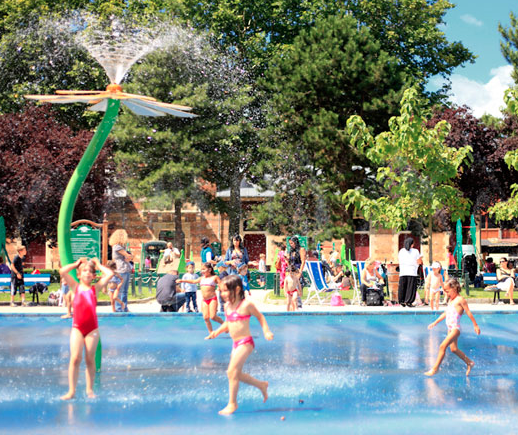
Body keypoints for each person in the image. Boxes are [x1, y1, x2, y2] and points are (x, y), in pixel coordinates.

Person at [206, 274, 273, 415]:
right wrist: (217, 332)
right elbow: (228, 322)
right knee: (235, 374)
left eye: (225, 290)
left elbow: (260, 317)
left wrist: (266, 331)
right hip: (235, 343)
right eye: (221, 291)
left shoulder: (246, 305)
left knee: (231, 372)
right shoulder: (227, 306)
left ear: (236, 290)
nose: (222, 294)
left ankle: (232, 403)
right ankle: (261, 385)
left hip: (246, 342)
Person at [60, 257, 114, 400]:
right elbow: (62, 271)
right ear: (79, 275)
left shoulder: (95, 289)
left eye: (90, 271)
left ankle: (89, 390)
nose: (87, 273)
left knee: (90, 359)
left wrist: (98, 264)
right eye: (84, 271)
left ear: (94, 276)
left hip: (92, 329)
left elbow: (109, 274)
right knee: (75, 358)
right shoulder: (74, 287)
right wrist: (76, 264)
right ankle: (72, 391)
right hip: (77, 327)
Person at [424, 278, 480, 376]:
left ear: (454, 288)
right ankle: (469, 363)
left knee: (442, 346)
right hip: (450, 329)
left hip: (455, 328)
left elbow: (468, 312)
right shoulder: (451, 300)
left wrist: (475, 325)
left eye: (447, 291)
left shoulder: (460, 300)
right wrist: (435, 322)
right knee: (453, 349)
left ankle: (435, 369)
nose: (446, 293)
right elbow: (447, 312)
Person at [178, 263, 224, 332]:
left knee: (213, 316)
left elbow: (221, 284)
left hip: (212, 299)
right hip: (204, 300)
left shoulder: (214, 277)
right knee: (205, 317)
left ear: (209, 269)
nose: (202, 271)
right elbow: (193, 281)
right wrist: (182, 280)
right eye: (201, 269)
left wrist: (221, 289)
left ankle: (224, 324)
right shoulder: (201, 278)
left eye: (203, 269)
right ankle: (211, 333)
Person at [109, 229, 133, 312]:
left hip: (123, 269)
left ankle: (124, 307)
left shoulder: (117, 247)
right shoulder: (117, 247)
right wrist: (129, 256)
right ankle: (120, 308)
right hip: (121, 270)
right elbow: (129, 256)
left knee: (124, 291)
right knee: (121, 290)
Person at [398, 238, 423, 307]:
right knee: (410, 287)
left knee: (402, 287)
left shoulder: (401, 251)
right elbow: (419, 261)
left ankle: (401, 301)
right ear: (412, 244)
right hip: (412, 271)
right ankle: (408, 301)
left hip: (403, 271)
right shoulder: (415, 251)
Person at [288, 236, 306, 309]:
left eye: (292, 243)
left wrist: (300, 272)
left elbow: (303, 261)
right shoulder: (292, 251)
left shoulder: (301, 250)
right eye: (290, 243)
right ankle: (294, 306)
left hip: (298, 270)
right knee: (291, 288)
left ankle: (298, 305)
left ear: (295, 242)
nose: (291, 245)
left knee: (297, 288)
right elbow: (290, 262)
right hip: (292, 271)